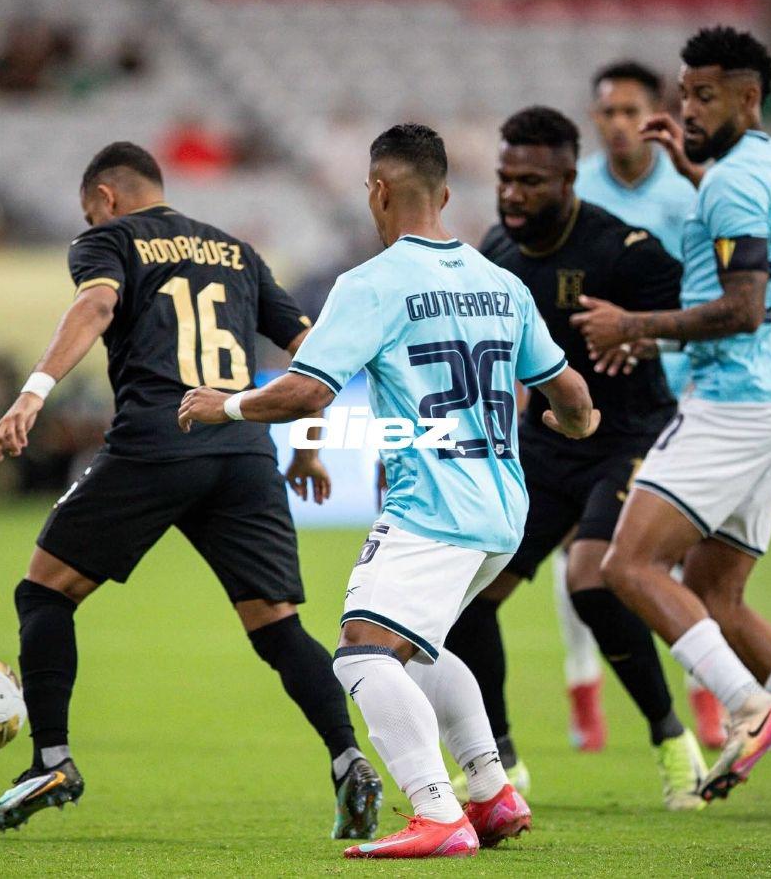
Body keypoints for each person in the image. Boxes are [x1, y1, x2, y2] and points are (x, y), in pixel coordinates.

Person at [179, 123, 600, 858]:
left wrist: (228, 404)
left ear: (377, 190)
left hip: (434, 507)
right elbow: (570, 393)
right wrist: (578, 421)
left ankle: (437, 813)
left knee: (362, 654)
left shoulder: (372, 283)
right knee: (419, 648)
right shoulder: (501, 284)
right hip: (505, 510)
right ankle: (492, 792)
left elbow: (309, 393)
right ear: (444, 193)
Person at [0, 142, 383, 838]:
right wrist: (310, 449)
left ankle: (51, 759)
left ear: (104, 197)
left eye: (89, 209)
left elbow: (98, 306)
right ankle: (349, 759)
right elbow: (314, 344)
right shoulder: (238, 251)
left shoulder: (108, 240)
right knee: (278, 624)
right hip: (244, 447)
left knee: (44, 590)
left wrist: (32, 393)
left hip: (159, 442)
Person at [573, 26, 771, 814]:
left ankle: (749, 709)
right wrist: (694, 168)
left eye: (704, 96)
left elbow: (742, 308)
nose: (687, 108)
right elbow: (754, 258)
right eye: (684, 93)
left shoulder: (730, 186)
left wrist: (635, 326)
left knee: (627, 566)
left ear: (748, 97)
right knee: (718, 594)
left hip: (733, 400)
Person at [444, 106, 707, 812]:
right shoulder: (498, 249)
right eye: (505, 178)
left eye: (530, 180)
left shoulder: (627, 250)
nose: (512, 192)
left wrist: (643, 335)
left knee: (593, 579)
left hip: (629, 440)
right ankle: (498, 761)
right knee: (468, 597)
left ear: (568, 177)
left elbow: (702, 322)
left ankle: (670, 737)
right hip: (543, 444)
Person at [559, 60, 726, 752]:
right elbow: (559, 288)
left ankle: (705, 693)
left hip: (673, 389)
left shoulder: (689, 194)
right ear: (594, 119)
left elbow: (712, 287)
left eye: (632, 111)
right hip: (589, 395)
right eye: (607, 112)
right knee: (578, 547)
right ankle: (582, 684)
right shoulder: (576, 194)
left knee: (677, 550)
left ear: (656, 116)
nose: (619, 124)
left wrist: (647, 339)